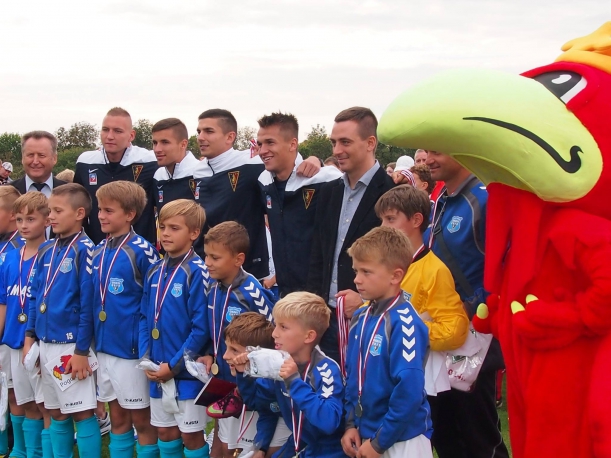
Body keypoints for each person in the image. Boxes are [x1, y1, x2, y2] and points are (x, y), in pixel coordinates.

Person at [425, 150, 508, 458]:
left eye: (436, 151)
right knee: (446, 433)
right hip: (443, 335)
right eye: (426, 151)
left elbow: (506, 266)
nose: (428, 159)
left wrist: (475, 309)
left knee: (479, 438)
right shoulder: (441, 200)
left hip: (475, 338)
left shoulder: (484, 198)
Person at [307, 107, 394, 364]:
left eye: (345, 142)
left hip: (370, 319)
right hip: (326, 318)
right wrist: (314, 304)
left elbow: (399, 263)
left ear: (370, 143)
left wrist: (367, 301)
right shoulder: (328, 192)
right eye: (334, 142)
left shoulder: (391, 194)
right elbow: (318, 254)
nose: (336, 150)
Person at [192, 109, 321, 281]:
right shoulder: (196, 172)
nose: (200, 137)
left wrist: (315, 160)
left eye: (209, 131)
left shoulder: (252, 164)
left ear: (230, 137)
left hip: (248, 271)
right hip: (206, 266)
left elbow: (288, 162)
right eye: (199, 131)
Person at [23, 183, 101, 458]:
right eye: (49, 211)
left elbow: (88, 307)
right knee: (55, 411)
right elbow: (35, 295)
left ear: (79, 213)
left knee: (81, 411)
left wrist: (81, 350)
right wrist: (30, 336)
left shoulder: (86, 250)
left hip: (71, 347)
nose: (51, 216)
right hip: (44, 343)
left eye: (57, 211)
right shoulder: (47, 248)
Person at [342, 226, 433, 458]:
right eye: (356, 271)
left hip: (403, 439)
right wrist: (351, 424)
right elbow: (353, 376)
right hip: (366, 436)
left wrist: (379, 442)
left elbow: (409, 391)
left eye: (366, 272)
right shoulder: (360, 317)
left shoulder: (406, 323)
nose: (357, 279)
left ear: (395, 276)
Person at [376, 185, 469, 402]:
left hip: (418, 379)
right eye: (381, 220)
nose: (382, 227)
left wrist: (403, 329)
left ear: (417, 220)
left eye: (390, 219)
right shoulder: (381, 264)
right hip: (383, 372)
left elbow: (454, 331)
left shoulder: (435, 271)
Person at [233, 292, 347, 458]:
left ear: (309, 336)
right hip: (299, 445)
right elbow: (259, 404)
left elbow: (328, 422)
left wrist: (294, 382)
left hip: (331, 451)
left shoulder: (326, 370)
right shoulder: (278, 363)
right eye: (275, 325)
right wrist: (244, 375)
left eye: (283, 327)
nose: (274, 334)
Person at [92, 181, 160, 458]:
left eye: (108, 211)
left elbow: (154, 304)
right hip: (104, 349)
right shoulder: (98, 249)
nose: (101, 216)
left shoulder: (142, 251)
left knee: (142, 421)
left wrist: (145, 349)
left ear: (130, 214)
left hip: (131, 353)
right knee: (118, 418)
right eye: (99, 209)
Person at [139, 199, 210, 458]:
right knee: (165, 432)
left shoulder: (198, 272)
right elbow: (143, 317)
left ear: (194, 233)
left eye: (174, 228)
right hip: (157, 368)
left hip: (185, 373)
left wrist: (174, 365)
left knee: (191, 435)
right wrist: (146, 357)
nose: (166, 233)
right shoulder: (154, 270)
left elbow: (201, 329)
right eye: (162, 227)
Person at [201, 221, 275, 458]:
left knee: (238, 448)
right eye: (206, 255)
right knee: (222, 442)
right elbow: (213, 327)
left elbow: (272, 335)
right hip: (222, 378)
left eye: (215, 257)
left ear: (238, 259)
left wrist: (252, 373)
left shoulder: (253, 292)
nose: (207, 262)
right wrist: (209, 353)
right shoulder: (213, 285)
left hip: (248, 385)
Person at [257, 112, 341, 297]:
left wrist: (317, 161)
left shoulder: (325, 179)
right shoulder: (263, 181)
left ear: (293, 144)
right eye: (260, 144)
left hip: (321, 294)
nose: (262, 150)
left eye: (270, 142)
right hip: (286, 293)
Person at [0, 192, 51, 458]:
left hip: (39, 343)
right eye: (19, 219)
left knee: (47, 406)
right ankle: (28, 453)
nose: (23, 225)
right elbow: (3, 302)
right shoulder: (10, 257)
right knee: (25, 402)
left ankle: (48, 453)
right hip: (13, 341)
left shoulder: (52, 256)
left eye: (30, 219)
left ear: (47, 220)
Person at [74, 107, 157, 245]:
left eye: (118, 131)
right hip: (97, 249)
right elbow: (78, 207)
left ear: (131, 135)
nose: (110, 136)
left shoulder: (150, 161)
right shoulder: (85, 162)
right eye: (105, 129)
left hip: (138, 250)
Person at [221, 312, 291, 458]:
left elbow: (306, 426)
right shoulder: (262, 378)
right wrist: (261, 447)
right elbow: (267, 410)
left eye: (234, 350)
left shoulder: (280, 377)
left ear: (257, 354)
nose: (225, 356)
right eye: (227, 348)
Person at [151, 118, 203, 255]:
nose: (157, 149)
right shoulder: (158, 175)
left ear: (183, 144)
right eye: (155, 143)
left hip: (198, 258)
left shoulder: (202, 173)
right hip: (169, 258)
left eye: (165, 142)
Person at [11, 131, 67, 197]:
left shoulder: (70, 193)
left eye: (41, 155)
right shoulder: (5, 194)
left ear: (54, 158)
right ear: (22, 158)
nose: (35, 161)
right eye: (30, 155)